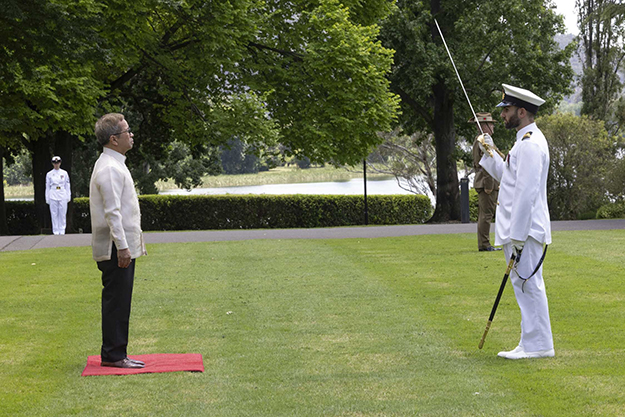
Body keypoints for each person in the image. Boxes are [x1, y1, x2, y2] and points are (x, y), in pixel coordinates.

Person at [478, 84, 554, 360]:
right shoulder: (523, 141)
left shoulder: (532, 144)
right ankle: (530, 341)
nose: (502, 116)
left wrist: (518, 236)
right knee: (524, 286)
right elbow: (510, 180)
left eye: (506, 110)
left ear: (521, 112)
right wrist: (490, 153)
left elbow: (526, 193)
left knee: (529, 284)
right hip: (518, 230)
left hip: (525, 231)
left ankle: (539, 345)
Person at [90, 113, 147, 368]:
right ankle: (113, 355)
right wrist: (123, 247)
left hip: (119, 245)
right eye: (127, 131)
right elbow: (113, 213)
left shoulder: (114, 163)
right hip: (116, 247)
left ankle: (116, 352)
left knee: (120, 300)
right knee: (117, 301)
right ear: (114, 139)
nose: (131, 134)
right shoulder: (110, 168)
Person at [469, 113, 501, 252]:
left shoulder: (484, 140)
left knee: (486, 214)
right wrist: (489, 185)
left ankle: (485, 243)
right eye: (490, 124)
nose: (493, 126)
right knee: (486, 215)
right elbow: (486, 164)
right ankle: (485, 244)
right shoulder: (483, 141)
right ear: (484, 126)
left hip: (486, 182)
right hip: (486, 183)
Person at [45, 156, 71, 235]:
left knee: (62, 214)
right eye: (55, 163)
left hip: (62, 193)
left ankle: (62, 230)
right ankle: (55, 231)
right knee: (54, 214)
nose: (56, 164)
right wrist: (47, 197)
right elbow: (47, 187)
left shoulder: (64, 173)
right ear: (52, 164)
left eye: (58, 163)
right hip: (53, 193)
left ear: (60, 163)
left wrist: (68, 195)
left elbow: (67, 185)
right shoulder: (49, 174)